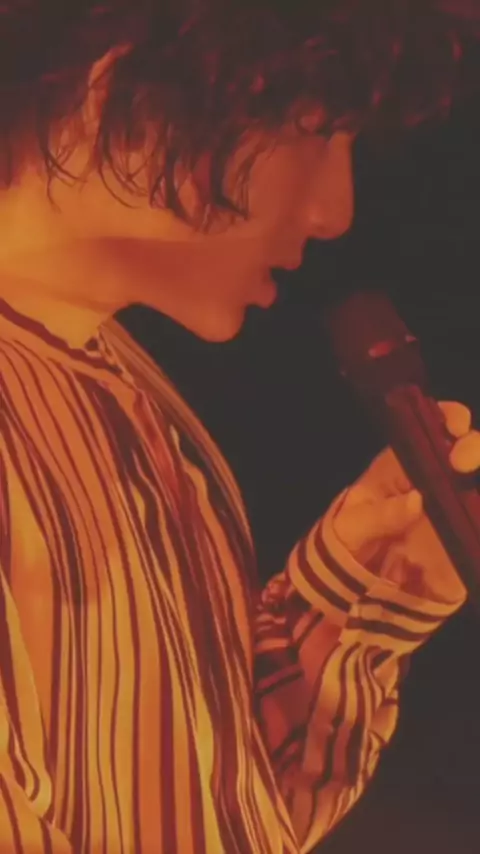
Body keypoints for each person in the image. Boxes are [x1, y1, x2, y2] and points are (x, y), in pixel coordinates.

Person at [0, 2, 479, 853]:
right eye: (317, 131)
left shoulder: (136, 397)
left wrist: (368, 580)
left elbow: (211, 810)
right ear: (123, 85)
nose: (336, 210)